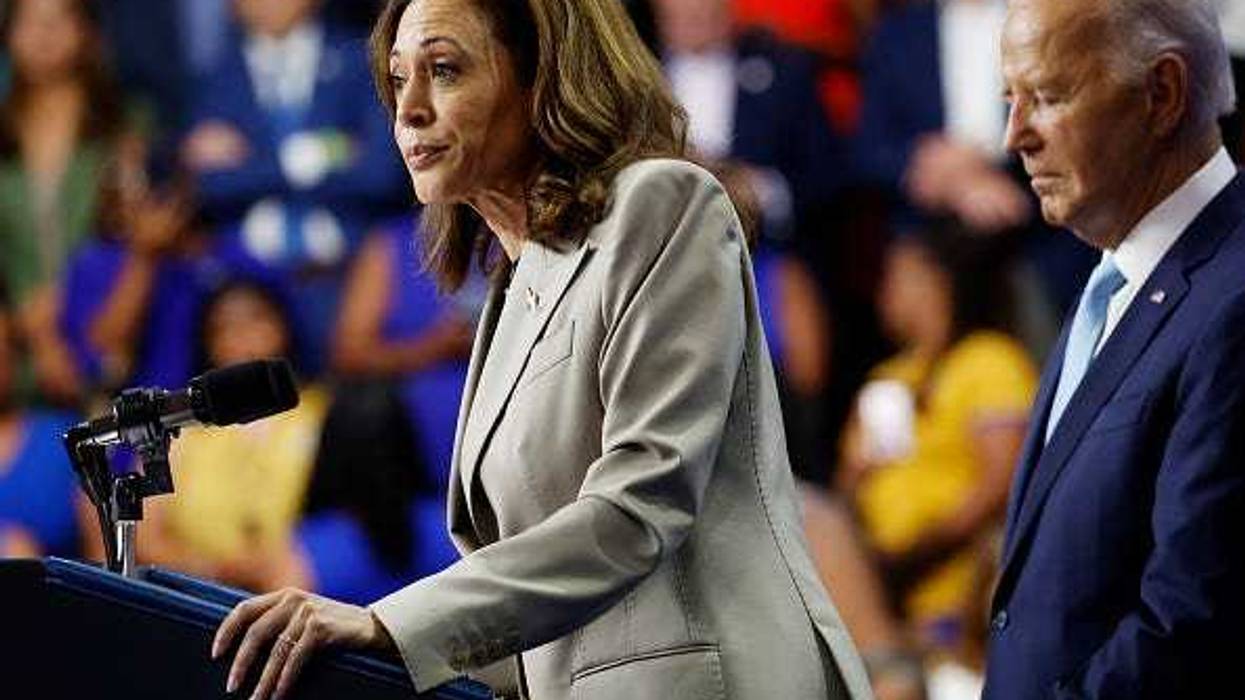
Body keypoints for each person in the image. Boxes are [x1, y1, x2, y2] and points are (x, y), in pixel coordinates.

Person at [210, 1, 872, 699]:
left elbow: (636, 512)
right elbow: (523, 614)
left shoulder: (663, 204)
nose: (408, 110)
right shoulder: (506, 294)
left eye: (444, 70)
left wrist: (388, 625)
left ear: (542, 76)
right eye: (397, 79)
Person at [985, 0, 1245, 697]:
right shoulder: (1115, 278)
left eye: (1046, 96)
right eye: (1009, 99)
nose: (1014, 136)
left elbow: (1193, 618)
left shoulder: (1234, 294)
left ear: (1160, 94)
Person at [837, 223, 1036, 693]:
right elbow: (842, 499)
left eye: (898, 274)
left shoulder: (990, 360)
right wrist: (856, 476)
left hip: (964, 619)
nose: (884, 289)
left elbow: (1001, 484)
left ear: (936, 280)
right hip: (886, 615)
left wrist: (915, 554)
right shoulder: (886, 377)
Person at [0, 0, 146, 405]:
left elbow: (140, 234)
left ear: (87, 31)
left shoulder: (126, 128)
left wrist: (67, 307)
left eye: (58, 19)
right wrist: (32, 329)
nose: (44, 34)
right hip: (21, 358)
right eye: (29, 22)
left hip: (114, 340)